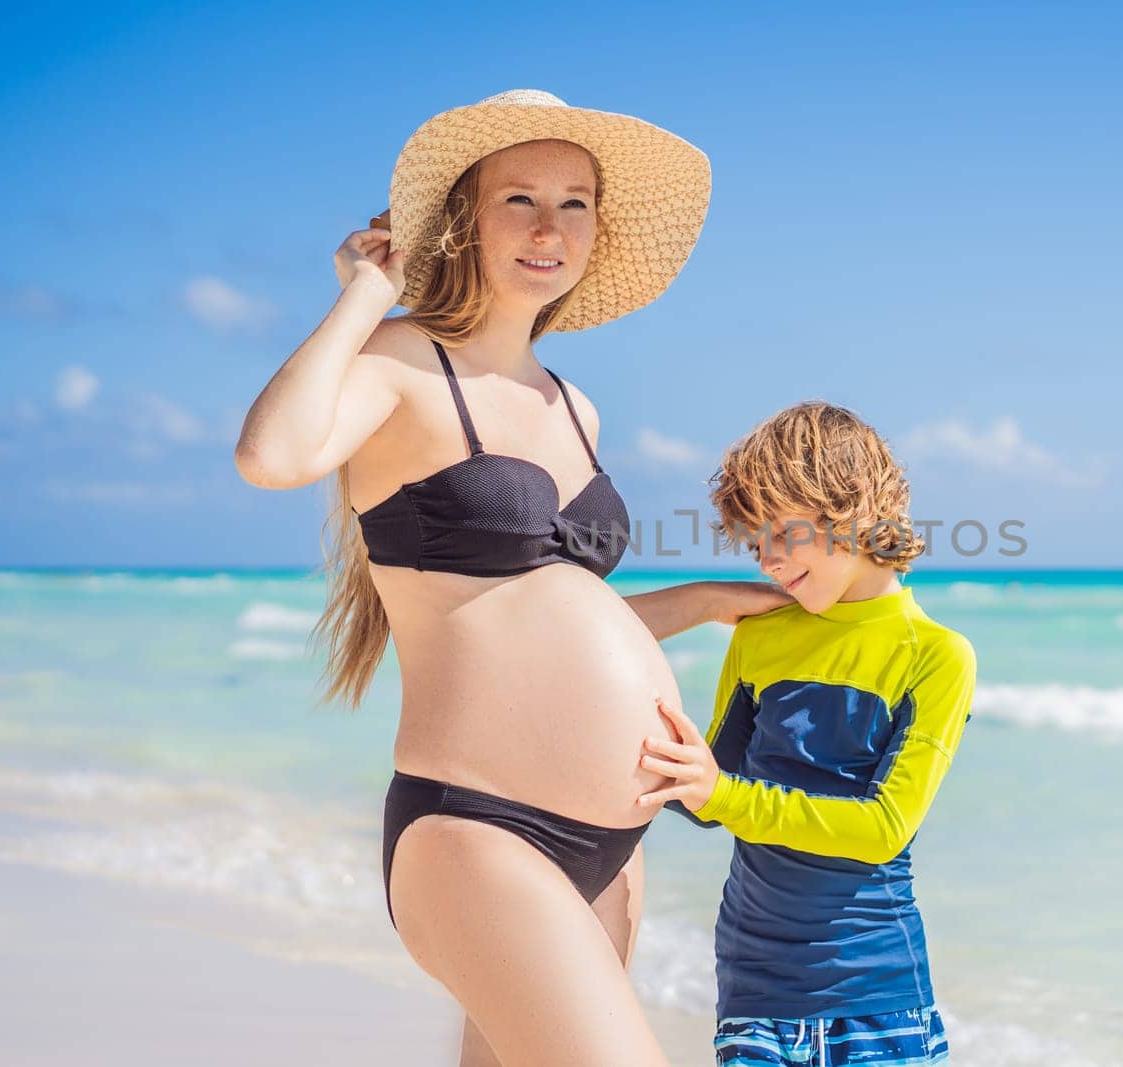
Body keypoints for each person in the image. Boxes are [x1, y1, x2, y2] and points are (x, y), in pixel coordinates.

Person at [234, 89, 788, 1066]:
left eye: (574, 203)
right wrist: (365, 293)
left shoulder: (573, 404)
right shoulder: (403, 361)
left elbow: (543, 609)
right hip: (479, 830)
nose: (549, 227)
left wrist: (704, 604)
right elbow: (272, 456)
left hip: (609, 846)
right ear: (462, 221)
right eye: (519, 199)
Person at [637, 402, 978, 1066]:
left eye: (777, 533)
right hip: (754, 990)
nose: (764, 560)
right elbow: (706, 796)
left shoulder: (935, 655)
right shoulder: (760, 637)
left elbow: (882, 827)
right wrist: (704, 602)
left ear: (849, 509)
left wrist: (721, 795)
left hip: (878, 999)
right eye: (751, 540)